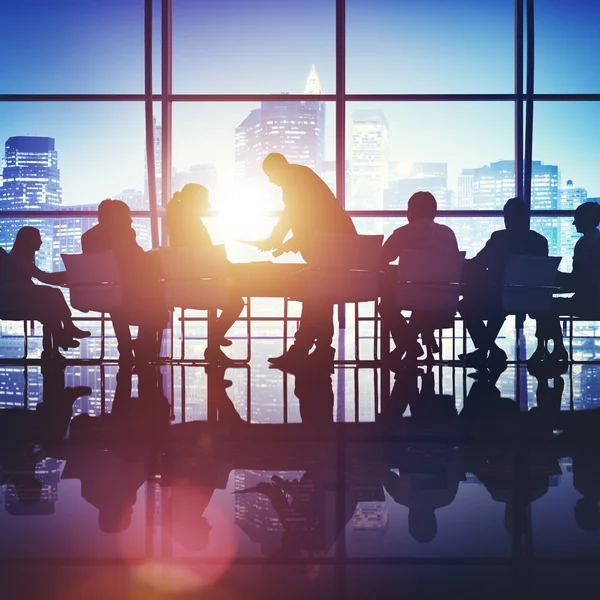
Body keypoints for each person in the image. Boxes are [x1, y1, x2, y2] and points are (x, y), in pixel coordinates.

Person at [256, 153, 357, 370]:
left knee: (315, 294)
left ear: (277, 169)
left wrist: (277, 241)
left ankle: (303, 349)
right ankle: (318, 349)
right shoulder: (300, 176)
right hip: (336, 243)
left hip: (329, 246)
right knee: (321, 295)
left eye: (270, 175)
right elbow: (307, 216)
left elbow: (296, 216)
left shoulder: (293, 181)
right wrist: (280, 241)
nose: (271, 181)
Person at [459, 197, 548, 369]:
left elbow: (479, 262)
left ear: (506, 217)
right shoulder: (539, 241)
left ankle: (490, 349)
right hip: (530, 299)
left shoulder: (499, 238)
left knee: (465, 305)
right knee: (496, 307)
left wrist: (462, 265)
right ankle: (484, 351)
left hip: (499, 297)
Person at [165, 184, 245, 365]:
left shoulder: (176, 224)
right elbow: (208, 259)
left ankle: (216, 338)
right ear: (196, 202)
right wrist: (233, 267)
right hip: (202, 289)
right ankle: (214, 342)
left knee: (232, 296)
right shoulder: (194, 226)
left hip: (183, 288)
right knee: (236, 303)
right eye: (205, 200)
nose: (208, 205)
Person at [378, 191, 460, 365]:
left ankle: (407, 345)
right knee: (423, 301)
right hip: (444, 298)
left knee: (386, 306)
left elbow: (381, 259)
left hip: (411, 297)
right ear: (434, 212)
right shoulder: (448, 234)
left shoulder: (402, 234)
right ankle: (412, 343)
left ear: (411, 211)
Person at [81, 199, 166, 363]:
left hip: (101, 291)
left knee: (117, 301)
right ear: (117, 217)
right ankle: (141, 345)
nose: (131, 219)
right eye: (127, 215)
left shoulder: (88, 237)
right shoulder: (125, 232)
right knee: (154, 301)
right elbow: (136, 259)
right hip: (129, 290)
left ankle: (127, 347)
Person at [0, 226, 90, 359]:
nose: (41, 242)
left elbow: (41, 277)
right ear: (29, 241)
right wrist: (70, 276)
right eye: (38, 238)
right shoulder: (18, 258)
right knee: (54, 296)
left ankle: (57, 344)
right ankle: (64, 334)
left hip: (16, 298)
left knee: (51, 309)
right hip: (16, 299)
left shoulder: (16, 257)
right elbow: (42, 276)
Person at [531, 201, 600, 368]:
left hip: (589, 302)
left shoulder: (585, 244)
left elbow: (579, 281)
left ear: (587, 219)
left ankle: (550, 348)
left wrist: (554, 276)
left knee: (546, 305)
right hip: (593, 300)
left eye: (577, 219)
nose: (574, 223)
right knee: (548, 305)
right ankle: (550, 348)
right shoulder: (594, 241)